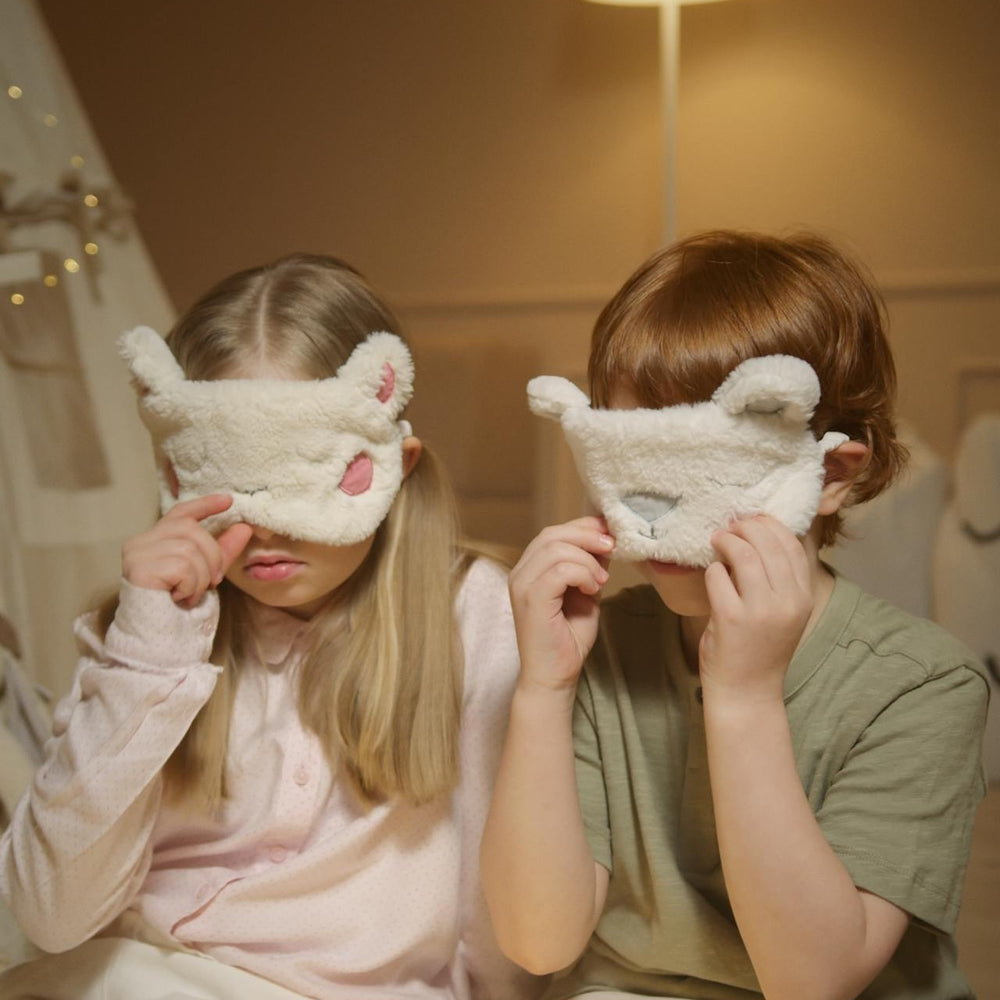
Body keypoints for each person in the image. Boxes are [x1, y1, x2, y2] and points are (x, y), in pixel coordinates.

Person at [0, 254, 542, 1000]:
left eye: (298, 477)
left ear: (395, 465)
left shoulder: (477, 616)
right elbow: (51, 914)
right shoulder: (137, 633)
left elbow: (500, 918)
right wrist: (148, 655)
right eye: (229, 475)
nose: (264, 527)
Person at [480, 231, 990, 1000]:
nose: (663, 507)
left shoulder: (925, 684)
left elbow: (812, 981)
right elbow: (537, 941)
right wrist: (541, 692)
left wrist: (746, 697)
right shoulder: (600, 646)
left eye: (706, 471)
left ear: (831, 477)